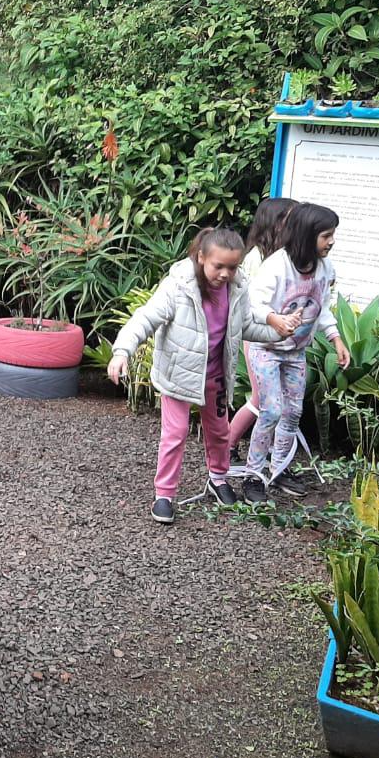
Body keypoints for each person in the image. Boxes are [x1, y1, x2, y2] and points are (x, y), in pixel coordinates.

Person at [107, 228, 296, 524]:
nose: (225, 274)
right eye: (218, 266)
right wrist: (122, 351)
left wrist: (278, 332)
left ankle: (218, 479)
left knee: (220, 431)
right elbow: (146, 317)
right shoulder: (178, 286)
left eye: (232, 267)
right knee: (175, 433)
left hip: (215, 376)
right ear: (201, 258)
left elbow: (245, 327)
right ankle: (164, 494)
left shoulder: (237, 288)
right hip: (179, 376)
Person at [245, 202, 351, 501]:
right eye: (326, 235)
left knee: (293, 412)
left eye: (333, 235)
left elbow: (323, 307)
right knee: (272, 410)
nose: (331, 241)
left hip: (295, 352)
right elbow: (253, 304)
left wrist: (335, 338)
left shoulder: (324, 268)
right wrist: (274, 319)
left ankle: (279, 471)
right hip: (266, 347)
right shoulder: (277, 266)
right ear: (306, 235)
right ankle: (254, 475)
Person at [228, 198, 297, 451]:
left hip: (278, 336)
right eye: (291, 220)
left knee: (274, 400)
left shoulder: (284, 256)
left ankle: (264, 448)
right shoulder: (257, 257)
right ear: (275, 223)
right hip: (257, 337)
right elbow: (252, 304)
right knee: (260, 399)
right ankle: (228, 445)